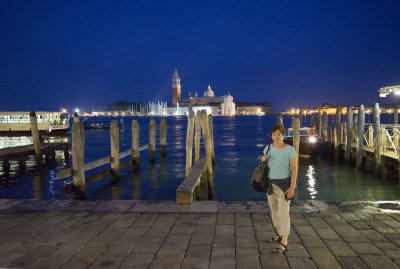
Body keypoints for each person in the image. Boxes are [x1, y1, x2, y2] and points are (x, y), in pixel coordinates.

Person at [261, 124, 297, 254]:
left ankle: (285, 242)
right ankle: (280, 235)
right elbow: (264, 165)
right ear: (271, 136)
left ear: (283, 135)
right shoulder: (268, 148)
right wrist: (263, 159)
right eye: (274, 134)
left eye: (279, 134)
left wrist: (292, 187)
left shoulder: (290, 150)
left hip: (284, 186)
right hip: (270, 185)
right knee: (274, 211)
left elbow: (294, 170)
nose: (276, 137)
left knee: (284, 213)